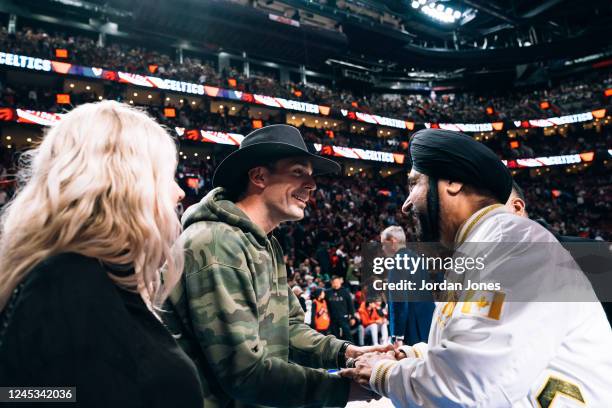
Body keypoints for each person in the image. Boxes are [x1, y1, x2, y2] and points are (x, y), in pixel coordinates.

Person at [342, 128, 612, 406]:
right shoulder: (484, 248)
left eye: (414, 184)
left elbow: (468, 391)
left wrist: (382, 373)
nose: (406, 205)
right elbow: (491, 349)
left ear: (453, 182)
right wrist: (413, 356)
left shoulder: (512, 244)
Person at [165, 125, 388, 408]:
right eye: (298, 172)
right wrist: (346, 387)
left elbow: (289, 326)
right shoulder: (216, 242)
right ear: (258, 176)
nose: (312, 184)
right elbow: (243, 373)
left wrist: (347, 353)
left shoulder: (265, 243)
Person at [0, 101, 203, 407]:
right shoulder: (67, 285)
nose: (179, 192)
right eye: (167, 175)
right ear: (126, 183)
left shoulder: (67, 278)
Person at [380, 226, 434, 346]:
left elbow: (399, 302)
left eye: (383, 244)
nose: (383, 248)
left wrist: (398, 336)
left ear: (393, 241)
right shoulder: (418, 259)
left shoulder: (397, 263)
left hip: (410, 328)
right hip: (429, 323)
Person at [326, 275, 359, 342]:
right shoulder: (328, 292)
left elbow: (351, 305)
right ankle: (337, 351)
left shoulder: (345, 291)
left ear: (340, 282)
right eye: (334, 282)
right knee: (335, 336)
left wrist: (352, 317)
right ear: (331, 283)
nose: (336, 284)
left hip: (344, 317)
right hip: (333, 318)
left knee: (347, 335)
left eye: (337, 282)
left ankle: (352, 349)